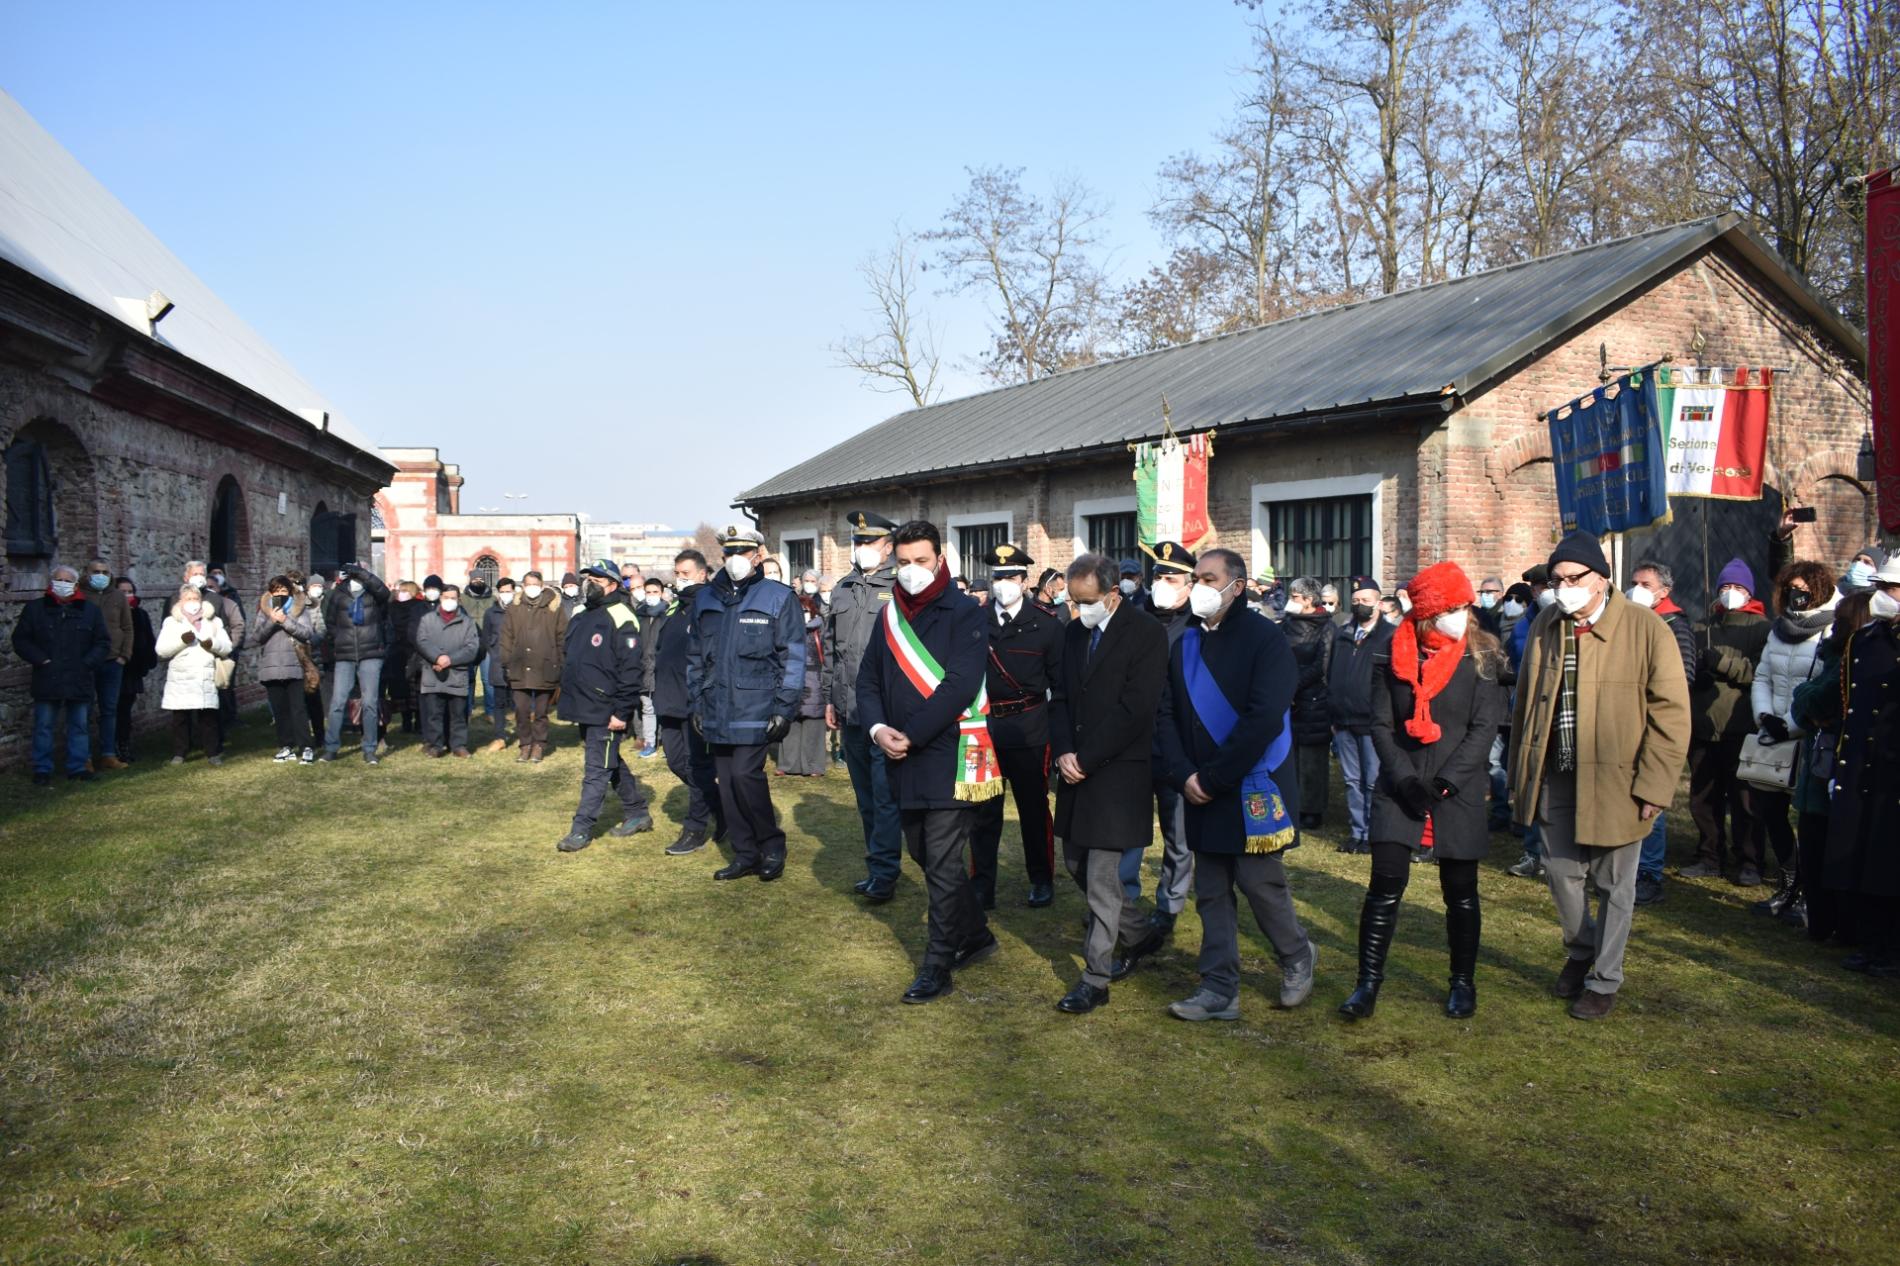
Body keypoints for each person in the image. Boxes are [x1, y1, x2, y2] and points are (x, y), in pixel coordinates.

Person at [1510, 530, 1690, 1020]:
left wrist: (1655, 786)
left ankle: (1604, 979)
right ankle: (1581, 948)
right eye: (1557, 579)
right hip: (1555, 773)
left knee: (1615, 885)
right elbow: (1526, 699)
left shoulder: (1646, 627)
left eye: (1574, 578)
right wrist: (1520, 772)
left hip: (1618, 780)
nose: (1563, 587)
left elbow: (1671, 714)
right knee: (1561, 875)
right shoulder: (1549, 622)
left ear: (1601, 578)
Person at [1157, 547, 1317, 1022]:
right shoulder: (1184, 640)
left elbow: (1263, 717)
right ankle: (1219, 987)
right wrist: (1184, 772)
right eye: (1197, 579)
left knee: (1259, 882)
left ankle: (1296, 955)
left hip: (1252, 782)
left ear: (1238, 585)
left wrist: (1214, 776)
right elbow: (1165, 712)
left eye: (1209, 578)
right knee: (1210, 888)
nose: (1199, 587)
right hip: (1198, 784)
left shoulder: (1266, 639)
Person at [1339, 563, 1504, 1021]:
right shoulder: (1393, 657)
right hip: (1400, 787)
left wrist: (1447, 782)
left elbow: (1484, 726)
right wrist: (1407, 780)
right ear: (1429, 612)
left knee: (1461, 892)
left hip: (1458, 789)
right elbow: (1381, 724)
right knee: (1384, 888)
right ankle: (1367, 984)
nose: (1461, 614)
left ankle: (1462, 982)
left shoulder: (1482, 658)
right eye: (1452, 607)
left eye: (1464, 606)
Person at [855, 519, 999, 1002]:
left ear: (940, 559)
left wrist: (910, 735)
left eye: (921, 561)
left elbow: (959, 685)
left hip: (947, 752)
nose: (912, 571)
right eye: (903, 562)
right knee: (922, 853)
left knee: (940, 861)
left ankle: (937, 964)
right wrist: (878, 729)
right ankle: (976, 934)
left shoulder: (965, 612)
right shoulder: (889, 613)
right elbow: (868, 679)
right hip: (899, 754)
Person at [1045, 552, 1169, 1012]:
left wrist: (1089, 758)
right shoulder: (1074, 633)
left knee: (1101, 879)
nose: (1079, 610)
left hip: (1118, 773)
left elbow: (1136, 708)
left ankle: (1095, 978)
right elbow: (1058, 697)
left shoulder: (1147, 634)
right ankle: (1141, 933)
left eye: (1088, 601)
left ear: (1114, 594)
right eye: (1074, 601)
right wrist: (1063, 752)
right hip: (1076, 770)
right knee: (1076, 865)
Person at [689, 526, 803, 882]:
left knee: (745, 775)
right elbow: (695, 656)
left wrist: (785, 707)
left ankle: (771, 845)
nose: (736, 560)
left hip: (758, 704)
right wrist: (697, 702)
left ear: (757, 557)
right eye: (730, 553)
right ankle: (744, 852)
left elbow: (794, 657)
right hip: (716, 704)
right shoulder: (706, 598)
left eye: (744, 553)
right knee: (726, 779)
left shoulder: (778, 597)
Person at [967, 543, 1064, 910]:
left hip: (1029, 729)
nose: (1003, 583)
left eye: (1010, 577)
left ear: (1025, 581)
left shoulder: (1046, 625)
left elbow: (1060, 686)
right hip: (983, 731)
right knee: (983, 812)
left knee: (1033, 809)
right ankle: (982, 883)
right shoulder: (975, 622)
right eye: (997, 577)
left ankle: (1041, 878)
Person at [1746, 560, 1838, 920]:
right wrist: (1765, 717)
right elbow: (1762, 676)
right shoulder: (1778, 629)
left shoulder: (1830, 630)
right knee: (1771, 813)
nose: (1795, 595)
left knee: (1808, 820)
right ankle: (1787, 883)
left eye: (1802, 589)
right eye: (1789, 589)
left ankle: (1807, 894)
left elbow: (1823, 688)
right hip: (1774, 734)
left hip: (1808, 734)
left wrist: (1790, 723)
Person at [1824, 556, 1900, 975]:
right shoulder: (1865, 641)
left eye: (1891, 588)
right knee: (1865, 858)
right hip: (1863, 766)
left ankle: (1891, 947)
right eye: (1881, 587)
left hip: (1894, 769)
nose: (1883, 596)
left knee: (1889, 860)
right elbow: (1851, 706)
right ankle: (1871, 942)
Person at [825, 510, 904, 900]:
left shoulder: (901, 588)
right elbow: (832, 651)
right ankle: (878, 862)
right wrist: (830, 698)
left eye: (868, 542)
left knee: (885, 795)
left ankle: (886, 873)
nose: (861, 549)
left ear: (888, 547)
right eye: (857, 542)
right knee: (866, 797)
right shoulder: (844, 587)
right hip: (850, 708)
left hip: (885, 711)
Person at [1681, 558, 1772, 886]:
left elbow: (1758, 672)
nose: (1730, 593)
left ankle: (1750, 859)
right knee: (1703, 797)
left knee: (1745, 799)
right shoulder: (1703, 626)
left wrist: (1724, 664)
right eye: (1725, 587)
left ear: (1749, 592)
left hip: (1740, 725)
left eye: (1737, 587)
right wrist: (1699, 674)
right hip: (1704, 725)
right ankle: (1709, 854)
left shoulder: (1762, 627)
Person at [1790, 591, 1874, 946]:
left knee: (1824, 850)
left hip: (1837, 771)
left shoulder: (1849, 660)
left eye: (1841, 619)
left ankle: (1830, 924)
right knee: (1814, 847)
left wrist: (1805, 696)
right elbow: (1807, 706)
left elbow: (1817, 699)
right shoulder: (1834, 656)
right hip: (1821, 765)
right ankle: (1825, 922)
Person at [555, 562, 654, 851]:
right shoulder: (582, 614)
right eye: (588, 578)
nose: (590, 583)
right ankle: (637, 812)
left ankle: (581, 829)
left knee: (596, 769)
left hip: (606, 708)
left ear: (612, 584)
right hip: (583, 705)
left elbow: (631, 669)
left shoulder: (622, 615)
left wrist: (621, 712)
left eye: (597, 579)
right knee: (608, 762)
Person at [1131, 541, 1198, 939]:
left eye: (1171, 578)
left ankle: (1169, 905)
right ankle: (1120, 898)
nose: (1162, 584)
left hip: (1177, 746)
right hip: (1135, 743)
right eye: (1158, 576)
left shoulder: (1198, 626)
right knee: (1128, 828)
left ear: (1189, 585)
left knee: (1178, 834)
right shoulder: (1135, 618)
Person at [1624, 560, 1698, 905]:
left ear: (1664, 592)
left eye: (1645, 584)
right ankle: (1626, 868)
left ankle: (1649, 873)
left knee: (1652, 800)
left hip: (1653, 725)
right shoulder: (1630, 620)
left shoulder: (1674, 625)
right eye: (1634, 581)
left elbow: (1683, 678)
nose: (1636, 588)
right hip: (1625, 725)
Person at [653, 550, 725, 855]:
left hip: (696, 703)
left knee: (698, 766)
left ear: (702, 574)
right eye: (676, 573)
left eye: (685, 573)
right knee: (675, 761)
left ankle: (695, 828)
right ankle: (722, 806)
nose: (679, 578)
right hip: (669, 700)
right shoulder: (674, 610)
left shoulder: (710, 606)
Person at [12, 564, 110, 784]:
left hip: (79, 676)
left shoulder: (89, 611)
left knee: (79, 725)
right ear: (51, 582)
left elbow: (102, 643)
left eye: (67, 581)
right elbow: (21, 640)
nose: (62, 584)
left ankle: (78, 767)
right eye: (59, 579)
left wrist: (87, 663)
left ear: (75, 585)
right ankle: (42, 769)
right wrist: (41, 659)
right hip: (48, 676)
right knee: (44, 725)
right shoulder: (36, 609)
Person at [1328, 576, 1391, 853]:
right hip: (1343, 720)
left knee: (1373, 780)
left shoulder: (1389, 636)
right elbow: (1331, 674)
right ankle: (1357, 831)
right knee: (1352, 781)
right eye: (1355, 601)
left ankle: (1373, 833)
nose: (1360, 605)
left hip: (1372, 721)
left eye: (1365, 600)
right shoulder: (1342, 634)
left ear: (1378, 602)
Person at [156, 584, 232, 766]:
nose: (192, 603)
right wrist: (182, 642)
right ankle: (180, 753)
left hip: (204, 676)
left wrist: (211, 644)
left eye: (195, 599)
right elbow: (161, 650)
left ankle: (212, 752)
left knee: (208, 717)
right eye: (188, 599)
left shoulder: (213, 622)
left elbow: (227, 646)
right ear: (180, 601)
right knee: (180, 718)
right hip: (181, 677)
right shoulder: (172, 623)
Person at [322, 563, 390, 765]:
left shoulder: (373, 594)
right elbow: (330, 621)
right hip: (345, 654)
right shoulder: (339, 593)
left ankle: (369, 748)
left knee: (370, 702)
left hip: (371, 652)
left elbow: (383, 592)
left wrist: (362, 572)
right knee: (337, 702)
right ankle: (331, 747)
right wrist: (340, 638)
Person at [1281, 577, 1335, 829]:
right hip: (1288, 698)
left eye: (1295, 597)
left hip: (1313, 697)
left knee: (1312, 757)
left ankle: (1312, 808)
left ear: (1309, 601)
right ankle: (1291, 801)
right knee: (1289, 754)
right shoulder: (1287, 624)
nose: (1290, 601)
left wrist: (1294, 683)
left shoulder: (1325, 627)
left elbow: (1321, 664)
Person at [501, 569, 567, 763]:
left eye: (535, 585)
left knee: (541, 712)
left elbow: (562, 637)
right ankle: (525, 744)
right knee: (521, 711)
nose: (532, 588)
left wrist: (560, 662)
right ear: (523, 586)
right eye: (528, 584)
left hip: (545, 667)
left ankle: (539, 744)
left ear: (541, 586)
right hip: (519, 667)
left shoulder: (555, 608)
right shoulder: (514, 608)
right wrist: (506, 660)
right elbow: (506, 636)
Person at [253, 575, 317, 763]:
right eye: (276, 591)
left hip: (294, 664)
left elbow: (306, 633)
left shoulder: (299, 610)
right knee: (280, 711)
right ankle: (286, 746)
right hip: (272, 667)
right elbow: (257, 637)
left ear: (289, 592)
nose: (280, 594)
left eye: (283, 590)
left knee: (298, 709)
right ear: (271, 593)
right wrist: (272, 620)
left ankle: (306, 746)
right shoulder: (264, 611)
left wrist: (285, 621)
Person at [414, 582, 482, 757]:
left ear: (459, 600)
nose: (449, 601)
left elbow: (472, 647)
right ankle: (435, 745)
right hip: (433, 671)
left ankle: (458, 745)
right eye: (446, 597)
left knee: (458, 713)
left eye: (453, 598)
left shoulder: (467, 622)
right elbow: (422, 641)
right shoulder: (427, 619)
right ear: (440, 598)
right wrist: (437, 657)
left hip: (457, 673)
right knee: (434, 713)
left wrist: (450, 660)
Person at [182, 560, 245, 742]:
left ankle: (214, 740)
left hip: (212, 656)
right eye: (196, 574)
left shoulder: (218, 600)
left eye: (202, 574)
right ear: (186, 577)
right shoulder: (175, 600)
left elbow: (227, 626)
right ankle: (188, 741)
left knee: (214, 702)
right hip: (186, 659)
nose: (199, 578)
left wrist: (227, 648)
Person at [81, 557, 132, 771]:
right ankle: (83, 757)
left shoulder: (118, 596)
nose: (100, 576)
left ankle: (108, 755)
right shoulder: (80, 595)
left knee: (109, 710)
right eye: (96, 571)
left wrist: (124, 656)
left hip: (113, 661)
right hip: (87, 661)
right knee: (83, 709)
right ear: (87, 573)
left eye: (104, 572)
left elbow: (127, 628)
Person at [777, 575, 831, 776]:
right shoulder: (786, 630)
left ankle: (813, 765)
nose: (802, 614)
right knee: (790, 724)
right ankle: (788, 764)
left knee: (813, 726)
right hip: (790, 679)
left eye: (806, 611)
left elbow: (826, 655)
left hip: (814, 682)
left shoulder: (820, 629)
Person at [112, 577, 159, 762]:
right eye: (122, 592)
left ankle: (124, 745)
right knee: (112, 710)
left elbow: (148, 639)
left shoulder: (140, 615)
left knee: (125, 711)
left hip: (132, 671)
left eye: (129, 591)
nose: (127, 595)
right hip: (115, 668)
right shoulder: (110, 614)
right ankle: (111, 747)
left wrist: (146, 662)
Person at [480, 577, 516, 752]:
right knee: (499, 702)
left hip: (518, 663)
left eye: (509, 591)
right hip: (498, 662)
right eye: (502, 591)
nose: (506, 594)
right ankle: (500, 736)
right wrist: (495, 653)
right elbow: (486, 637)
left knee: (519, 702)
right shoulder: (491, 613)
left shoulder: (520, 610)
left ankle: (525, 736)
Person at [635, 577, 670, 757]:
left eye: (655, 592)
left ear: (662, 593)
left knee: (664, 708)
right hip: (643, 668)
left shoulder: (669, 614)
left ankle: (667, 742)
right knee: (647, 708)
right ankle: (650, 743)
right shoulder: (639, 613)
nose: (651, 596)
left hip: (663, 668)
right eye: (648, 592)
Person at [294, 572, 330, 748]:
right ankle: (299, 737)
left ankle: (320, 735)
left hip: (311, 656)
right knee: (296, 701)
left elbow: (322, 628)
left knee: (313, 698)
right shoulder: (286, 605)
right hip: (292, 656)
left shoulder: (314, 606)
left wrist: (312, 640)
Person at [389, 579, 427, 736]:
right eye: (400, 591)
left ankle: (418, 721)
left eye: (404, 591)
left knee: (416, 688)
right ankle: (405, 721)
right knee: (401, 689)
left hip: (414, 652)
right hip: (397, 653)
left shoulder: (419, 607)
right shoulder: (392, 607)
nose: (401, 594)